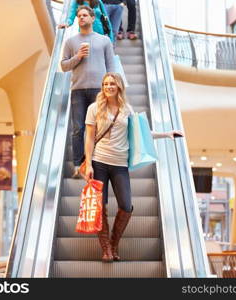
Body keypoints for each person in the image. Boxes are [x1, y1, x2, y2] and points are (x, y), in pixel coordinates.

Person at [84, 72, 183, 262]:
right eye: (105, 84)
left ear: (119, 86)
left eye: (112, 83)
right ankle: (106, 250)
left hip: (120, 164)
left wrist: (168, 134)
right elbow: (89, 137)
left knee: (126, 205)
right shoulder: (94, 108)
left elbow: (142, 133)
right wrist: (88, 163)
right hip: (99, 162)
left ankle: (114, 244)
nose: (108, 87)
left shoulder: (126, 109)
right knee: (99, 206)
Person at [61, 6, 115, 178]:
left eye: (84, 15)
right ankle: (78, 164)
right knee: (78, 129)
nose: (81, 18)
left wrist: (112, 90)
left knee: (99, 127)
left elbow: (111, 66)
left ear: (93, 18)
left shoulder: (104, 41)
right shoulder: (70, 42)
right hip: (77, 90)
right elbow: (63, 66)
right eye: (79, 16)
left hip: (100, 91)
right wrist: (77, 57)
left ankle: (96, 163)